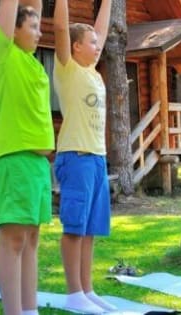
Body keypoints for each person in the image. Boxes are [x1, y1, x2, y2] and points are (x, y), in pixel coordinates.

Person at [0, 1, 55, 314]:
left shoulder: (33, 63)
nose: (39, 33)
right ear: (12, 31)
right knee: (13, 239)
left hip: (37, 163)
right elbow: (11, 7)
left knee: (31, 240)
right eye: (33, 27)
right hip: (13, 158)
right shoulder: (1, 56)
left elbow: (33, 5)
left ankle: (29, 309)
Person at [52, 0, 114, 313]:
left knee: (90, 230)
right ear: (76, 47)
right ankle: (73, 293)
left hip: (97, 159)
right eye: (91, 42)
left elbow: (100, 30)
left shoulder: (92, 72)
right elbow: (61, 27)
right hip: (75, 156)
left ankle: (87, 290)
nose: (97, 45)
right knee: (74, 228)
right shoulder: (67, 69)